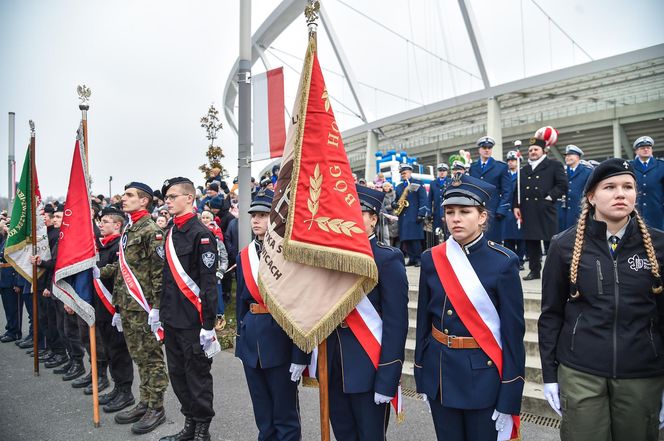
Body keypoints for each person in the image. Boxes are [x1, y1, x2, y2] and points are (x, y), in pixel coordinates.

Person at [539, 158, 664, 441]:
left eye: (628, 186)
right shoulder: (564, 245)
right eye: (610, 187)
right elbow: (551, 314)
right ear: (591, 196)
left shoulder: (659, 246)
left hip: (642, 372)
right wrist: (549, 374)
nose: (621, 193)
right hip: (581, 371)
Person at [415, 174, 525, 441]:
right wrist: (422, 371)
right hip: (441, 373)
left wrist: (510, 392)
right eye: (450, 212)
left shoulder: (504, 262)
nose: (456, 218)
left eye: (465, 211)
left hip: (483, 376)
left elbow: (513, 334)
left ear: (482, 217)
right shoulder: (432, 258)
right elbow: (422, 322)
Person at [326, 185, 408, 441]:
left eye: (358, 213)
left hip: (369, 367)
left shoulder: (387, 259)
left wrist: (388, 377)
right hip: (334, 365)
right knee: (343, 435)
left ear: (373, 219)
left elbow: (396, 324)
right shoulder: (331, 256)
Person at [235, 189, 310, 441]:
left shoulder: (290, 255)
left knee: (285, 413)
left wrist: (301, 353)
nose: (255, 220)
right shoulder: (244, 255)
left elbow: (300, 306)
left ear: (276, 218)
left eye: (262, 215)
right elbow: (241, 303)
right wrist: (240, 339)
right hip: (251, 341)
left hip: (281, 341)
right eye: (253, 215)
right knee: (262, 411)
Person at [99, 182, 168, 434]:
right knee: (139, 357)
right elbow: (123, 267)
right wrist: (102, 273)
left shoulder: (151, 230)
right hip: (128, 306)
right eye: (125, 194)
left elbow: (159, 272)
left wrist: (157, 308)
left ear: (144, 201)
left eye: (130, 195)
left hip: (144, 307)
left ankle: (157, 407)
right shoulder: (130, 228)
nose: (124, 198)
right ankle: (145, 401)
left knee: (152, 359)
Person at [159, 177, 219, 441]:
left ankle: (202, 430)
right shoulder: (172, 231)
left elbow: (207, 285)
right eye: (167, 198)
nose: (168, 201)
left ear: (189, 199)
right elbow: (166, 277)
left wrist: (208, 325)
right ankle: (189, 425)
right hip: (172, 318)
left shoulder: (202, 235)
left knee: (197, 377)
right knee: (178, 375)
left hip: (193, 321)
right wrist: (157, 311)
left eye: (173, 197)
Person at [93, 207, 136, 413]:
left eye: (106, 221)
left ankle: (126, 392)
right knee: (109, 350)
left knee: (120, 352)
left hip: (115, 307)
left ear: (117, 225)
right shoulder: (101, 246)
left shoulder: (119, 246)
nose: (101, 224)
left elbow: (118, 276)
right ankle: (117, 386)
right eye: (101, 221)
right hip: (101, 307)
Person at [513, 132, 567, 280]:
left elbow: (562, 185)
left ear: (544, 151)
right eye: (530, 150)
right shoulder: (523, 170)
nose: (532, 152)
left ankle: (554, 271)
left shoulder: (554, 165)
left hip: (546, 209)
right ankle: (535, 270)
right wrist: (516, 206)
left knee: (552, 242)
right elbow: (517, 189)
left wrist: (550, 197)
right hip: (528, 209)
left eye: (535, 149)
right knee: (532, 242)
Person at [469, 136, 512, 243]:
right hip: (476, 210)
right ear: (479, 150)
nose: (487, 150)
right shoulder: (473, 167)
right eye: (484, 147)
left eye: (489, 147)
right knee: (475, 240)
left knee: (493, 242)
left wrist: (501, 210)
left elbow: (507, 190)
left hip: (493, 211)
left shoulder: (501, 167)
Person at [392, 163, 429, 266]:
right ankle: (411, 258)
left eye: (404, 173)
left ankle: (418, 258)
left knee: (415, 239)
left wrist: (421, 213)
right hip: (403, 216)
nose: (403, 175)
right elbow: (396, 200)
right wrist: (394, 204)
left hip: (414, 214)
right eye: (401, 173)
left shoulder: (417, 183)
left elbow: (423, 199)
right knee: (406, 238)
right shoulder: (399, 186)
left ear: (410, 172)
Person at [632, 136, 664, 230]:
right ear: (636, 151)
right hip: (635, 213)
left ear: (652, 150)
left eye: (648, 148)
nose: (646, 150)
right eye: (642, 148)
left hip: (657, 214)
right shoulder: (630, 166)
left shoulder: (661, 166)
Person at [559, 145, 592, 231]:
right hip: (564, 213)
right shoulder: (563, 172)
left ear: (577, 157)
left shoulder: (587, 171)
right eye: (566, 156)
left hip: (579, 212)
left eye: (570, 155)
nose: (567, 158)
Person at [502, 151, 525, 270]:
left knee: (520, 236)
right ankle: (509, 259)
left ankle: (520, 260)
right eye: (509, 161)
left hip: (519, 208)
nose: (510, 162)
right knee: (508, 236)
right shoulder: (505, 174)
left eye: (513, 160)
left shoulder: (522, 174)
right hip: (507, 208)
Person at [428, 163, 450, 244]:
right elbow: (429, 200)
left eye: (444, 171)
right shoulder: (433, 183)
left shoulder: (450, 182)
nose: (442, 172)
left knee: (448, 234)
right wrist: (429, 213)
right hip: (436, 214)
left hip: (448, 212)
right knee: (437, 236)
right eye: (440, 171)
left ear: (447, 172)